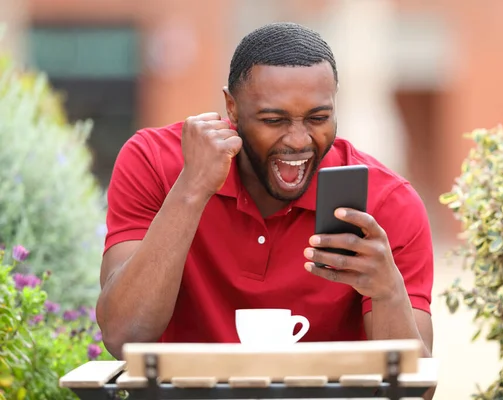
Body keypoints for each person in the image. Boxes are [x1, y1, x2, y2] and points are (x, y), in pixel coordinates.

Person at [96, 22, 434, 365]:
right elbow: (124, 336)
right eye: (274, 120)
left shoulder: (387, 202)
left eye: (318, 118)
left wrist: (388, 289)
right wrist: (192, 188)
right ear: (231, 107)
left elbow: (414, 389)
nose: (299, 140)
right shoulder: (153, 162)